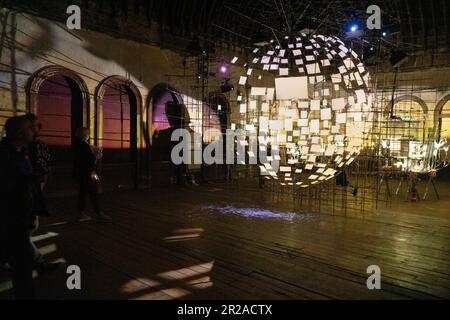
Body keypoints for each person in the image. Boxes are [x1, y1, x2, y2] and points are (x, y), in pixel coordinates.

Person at [0, 116, 36, 299]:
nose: (34, 131)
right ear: (19, 134)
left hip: (19, 218)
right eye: (30, 128)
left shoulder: (20, 152)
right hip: (10, 220)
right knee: (22, 269)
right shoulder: (6, 155)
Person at [22, 114, 50, 268]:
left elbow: (44, 166)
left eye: (35, 126)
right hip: (24, 191)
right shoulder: (19, 149)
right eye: (30, 127)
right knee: (27, 227)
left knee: (30, 225)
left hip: (33, 188)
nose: (33, 130)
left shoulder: (38, 146)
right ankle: (37, 260)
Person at [72, 127, 111, 222]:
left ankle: (82, 213)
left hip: (82, 174)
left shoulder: (77, 145)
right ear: (85, 135)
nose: (89, 136)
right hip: (89, 173)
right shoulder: (84, 146)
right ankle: (98, 213)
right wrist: (97, 157)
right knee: (93, 192)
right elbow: (90, 162)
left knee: (83, 193)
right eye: (88, 134)